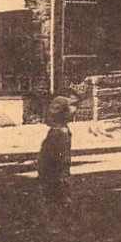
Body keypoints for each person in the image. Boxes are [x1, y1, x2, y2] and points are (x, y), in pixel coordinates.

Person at [38, 96, 74, 231]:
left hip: (55, 170)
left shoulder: (60, 132)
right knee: (55, 195)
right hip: (52, 169)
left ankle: (58, 224)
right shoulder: (57, 131)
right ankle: (59, 223)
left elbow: (61, 154)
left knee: (56, 195)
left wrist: (62, 172)